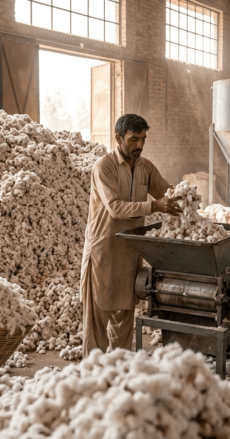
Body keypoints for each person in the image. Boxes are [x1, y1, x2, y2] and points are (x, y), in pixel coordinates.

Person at [81, 113, 181, 357]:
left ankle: (120, 374)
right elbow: (115, 208)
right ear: (118, 138)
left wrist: (185, 196)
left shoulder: (145, 167)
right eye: (134, 139)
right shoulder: (104, 167)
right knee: (97, 326)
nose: (140, 145)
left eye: (143, 139)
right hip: (104, 252)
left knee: (124, 319)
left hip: (129, 253)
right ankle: (90, 381)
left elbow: (166, 191)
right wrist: (155, 206)